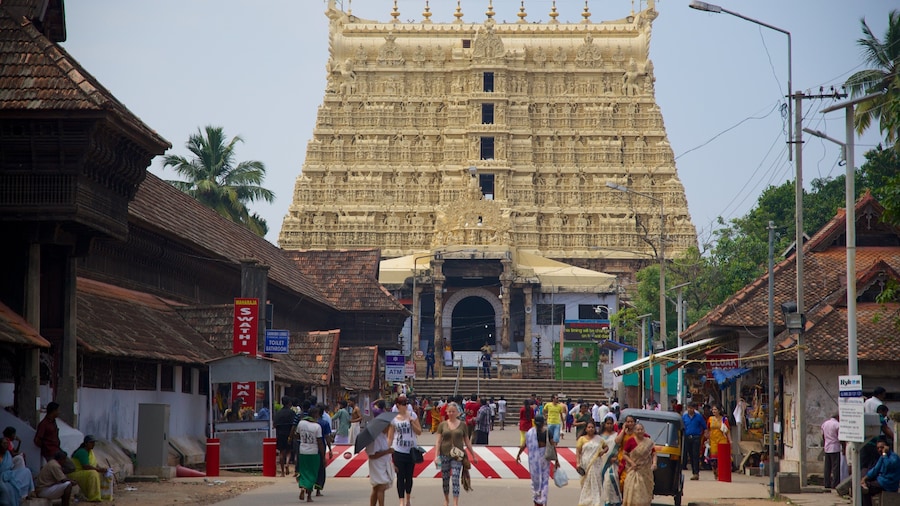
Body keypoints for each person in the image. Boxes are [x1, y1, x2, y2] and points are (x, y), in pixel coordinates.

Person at [435, 402, 479, 506]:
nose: (451, 413)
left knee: (455, 477)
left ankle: (455, 502)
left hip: (457, 455)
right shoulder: (442, 425)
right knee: (445, 479)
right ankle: (446, 499)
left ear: (457, 413)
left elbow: (467, 441)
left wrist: (473, 455)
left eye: (453, 411)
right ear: (446, 412)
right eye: (449, 411)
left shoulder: (463, 425)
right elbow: (438, 441)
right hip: (444, 454)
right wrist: (436, 456)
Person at [387, 395, 422, 506]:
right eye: (403, 404)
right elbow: (390, 436)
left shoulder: (413, 415)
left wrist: (412, 423)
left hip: (411, 451)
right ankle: (401, 500)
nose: (405, 406)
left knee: (409, 476)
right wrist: (387, 450)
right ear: (397, 405)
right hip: (398, 450)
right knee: (400, 477)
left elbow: (419, 432)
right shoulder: (393, 418)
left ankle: (408, 498)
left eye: (406, 403)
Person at [516, 415, 558, 506]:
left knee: (535, 480)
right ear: (543, 423)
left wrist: (518, 454)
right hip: (544, 458)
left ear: (534, 423)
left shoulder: (530, 433)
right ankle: (543, 500)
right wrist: (556, 460)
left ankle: (536, 500)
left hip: (534, 459)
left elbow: (524, 445)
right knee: (544, 480)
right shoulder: (547, 432)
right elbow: (553, 446)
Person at [576, 421, 610, 506]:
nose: (591, 429)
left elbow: (606, 447)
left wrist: (603, 451)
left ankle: (595, 502)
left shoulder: (599, 439)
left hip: (596, 464)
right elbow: (578, 452)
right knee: (586, 484)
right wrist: (578, 463)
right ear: (586, 429)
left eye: (592, 427)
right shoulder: (582, 439)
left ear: (595, 429)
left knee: (596, 483)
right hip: (585, 465)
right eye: (589, 427)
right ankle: (585, 502)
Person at [622, 423, 657, 506]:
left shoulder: (648, 442)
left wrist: (654, 463)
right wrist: (632, 463)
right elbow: (624, 454)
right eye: (638, 429)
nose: (640, 431)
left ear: (644, 431)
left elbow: (654, 453)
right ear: (634, 431)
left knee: (645, 494)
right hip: (634, 471)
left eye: (641, 429)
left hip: (646, 471)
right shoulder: (631, 441)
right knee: (634, 491)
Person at [67, 435, 109, 503]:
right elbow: (86, 466)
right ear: (86, 443)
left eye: (94, 442)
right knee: (93, 473)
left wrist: (101, 469)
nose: (93, 444)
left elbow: (94, 465)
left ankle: (102, 494)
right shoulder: (82, 452)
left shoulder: (90, 452)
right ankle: (94, 497)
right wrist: (98, 470)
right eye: (91, 442)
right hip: (75, 473)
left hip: (82, 472)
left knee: (101, 474)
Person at [296, 406, 324, 502]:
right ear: (315, 414)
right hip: (313, 453)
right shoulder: (317, 426)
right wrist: (323, 456)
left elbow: (297, 435)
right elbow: (320, 442)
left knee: (304, 472)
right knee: (312, 473)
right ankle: (309, 496)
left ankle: (303, 487)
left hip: (303, 451)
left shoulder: (301, 423)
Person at [861, 437, 900, 506]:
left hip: (888, 483)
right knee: (864, 477)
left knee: (865, 490)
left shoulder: (894, 457)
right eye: (878, 448)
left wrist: (884, 454)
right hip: (881, 480)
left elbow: (887, 465)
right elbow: (875, 469)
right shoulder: (882, 456)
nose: (879, 450)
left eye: (882, 447)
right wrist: (864, 478)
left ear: (887, 447)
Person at [366, 424, 394, 506]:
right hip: (377, 465)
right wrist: (387, 451)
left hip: (383, 463)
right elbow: (372, 455)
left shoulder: (383, 436)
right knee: (381, 487)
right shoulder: (375, 438)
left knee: (376, 488)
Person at [0, 437, 33, 504]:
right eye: (4, 443)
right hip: (1, 477)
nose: (6, 445)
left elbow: (10, 467)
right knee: (6, 489)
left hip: (9, 475)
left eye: (7, 443)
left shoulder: (7, 454)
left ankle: (26, 494)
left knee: (26, 471)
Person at [682, 402, 707, 480]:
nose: (690, 410)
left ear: (694, 409)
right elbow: (682, 427)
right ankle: (694, 471)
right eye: (689, 408)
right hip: (687, 437)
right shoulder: (684, 417)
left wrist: (706, 434)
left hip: (696, 437)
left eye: (692, 408)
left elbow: (704, 426)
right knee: (690, 455)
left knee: (695, 455)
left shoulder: (698, 417)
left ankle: (696, 473)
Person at [705, 405, 731, 479]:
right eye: (713, 410)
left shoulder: (724, 419)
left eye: (715, 409)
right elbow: (707, 429)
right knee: (713, 459)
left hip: (722, 439)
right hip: (713, 440)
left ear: (719, 411)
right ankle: (715, 472)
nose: (714, 411)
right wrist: (707, 438)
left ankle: (720, 473)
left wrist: (730, 440)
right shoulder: (710, 419)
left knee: (722, 458)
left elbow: (728, 431)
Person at [274, 397, 296, 477]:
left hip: (280, 434)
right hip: (289, 433)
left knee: (282, 452)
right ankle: (287, 463)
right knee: (289, 451)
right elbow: (294, 424)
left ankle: (282, 472)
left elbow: (274, 424)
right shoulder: (292, 413)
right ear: (289, 403)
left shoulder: (278, 413)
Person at [315, 404, 333, 497]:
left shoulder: (311, 423)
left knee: (312, 467)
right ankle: (318, 490)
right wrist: (330, 449)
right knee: (321, 468)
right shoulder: (325, 423)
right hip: (321, 447)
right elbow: (327, 437)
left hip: (311, 447)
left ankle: (307, 488)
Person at [615, 415, 637, 489]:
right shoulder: (623, 432)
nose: (630, 423)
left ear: (634, 423)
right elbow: (617, 441)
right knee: (622, 480)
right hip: (623, 458)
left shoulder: (637, 433)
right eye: (628, 422)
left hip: (634, 459)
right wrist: (623, 429)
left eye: (631, 422)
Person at [822, 413, 841, 489]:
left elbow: (823, 436)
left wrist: (825, 443)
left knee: (827, 467)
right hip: (835, 447)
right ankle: (835, 484)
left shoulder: (825, 424)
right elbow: (840, 437)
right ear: (837, 417)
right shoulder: (837, 425)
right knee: (835, 467)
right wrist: (843, 447)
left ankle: (827, 483)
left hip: (827, 447)